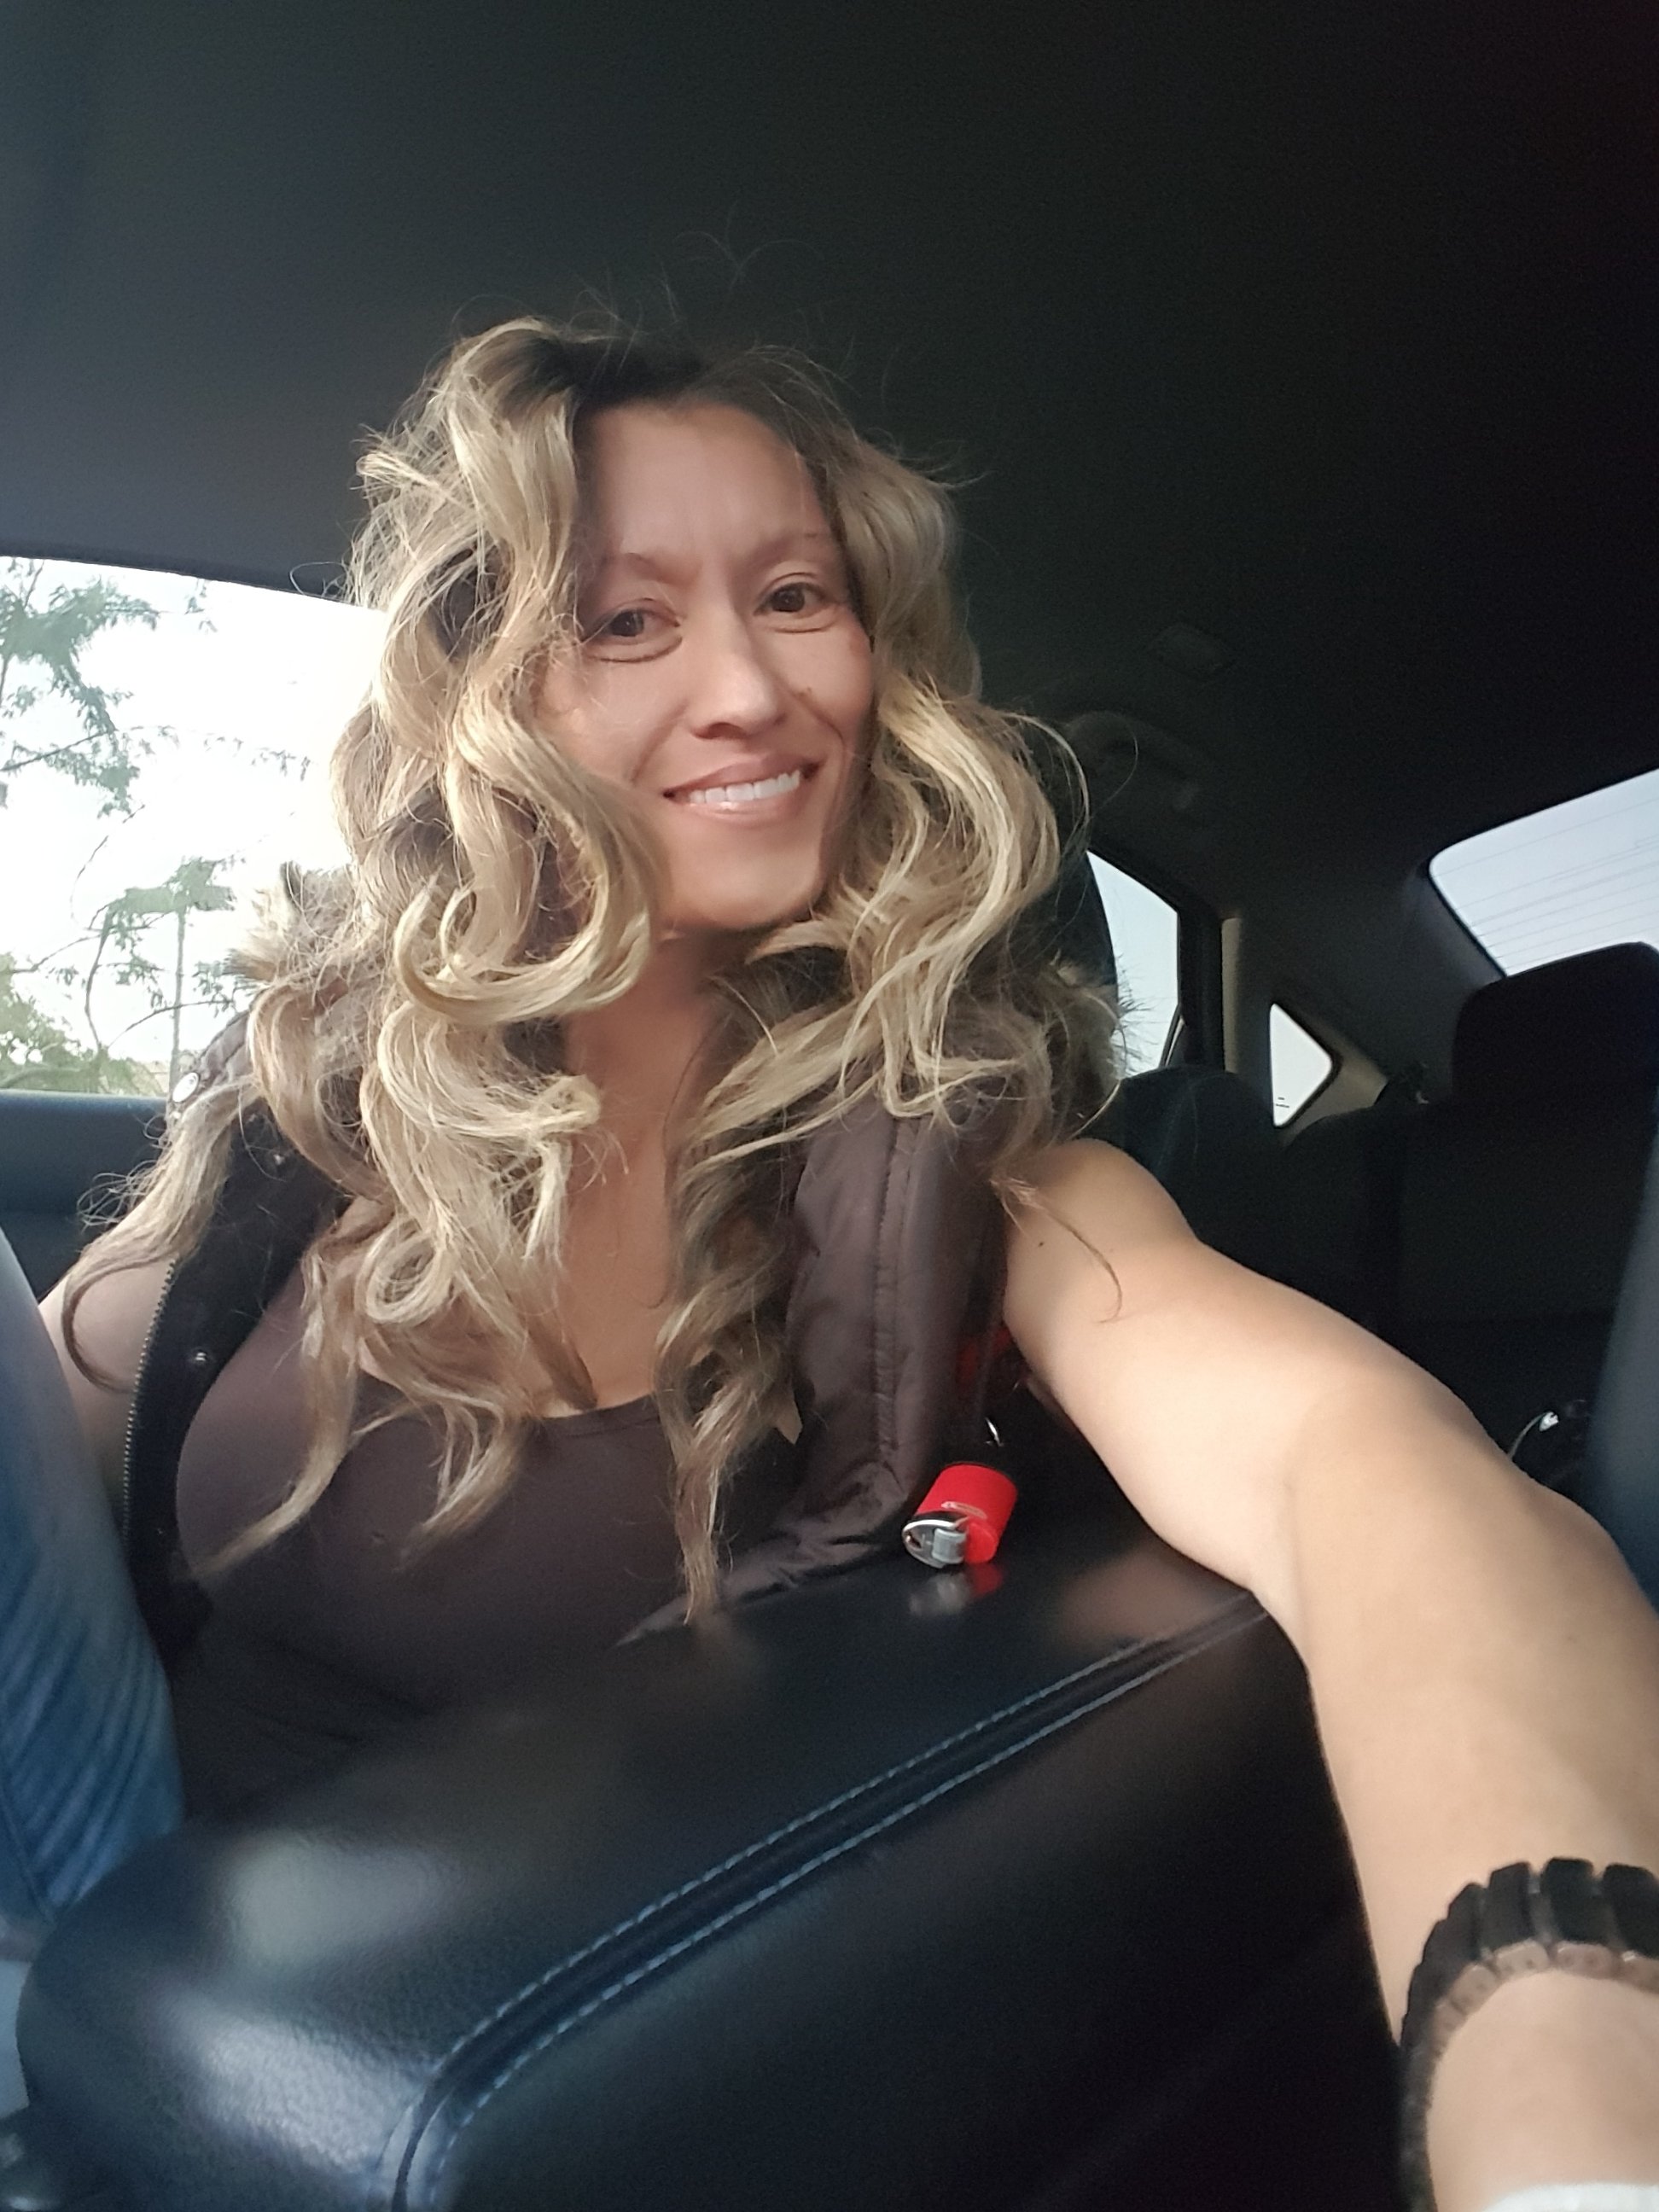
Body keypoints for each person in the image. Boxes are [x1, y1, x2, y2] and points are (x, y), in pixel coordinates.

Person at [15, 314, 1659, 2212]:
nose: (749, 688)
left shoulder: (976, 1185)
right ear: (485, 698)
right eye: (627, 620)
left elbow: (1362, 1474)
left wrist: (1563, 2089)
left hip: (414, 2083)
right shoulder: (294, 1141)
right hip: (96, 1884)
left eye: (797, 598)